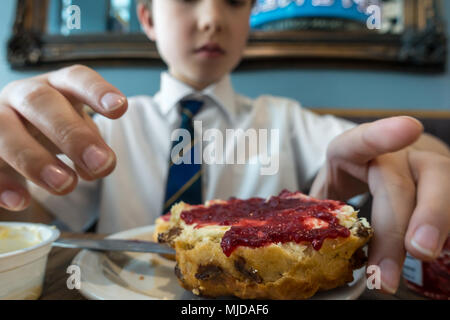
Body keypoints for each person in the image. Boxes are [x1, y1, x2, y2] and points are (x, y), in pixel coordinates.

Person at [0, 0, 448, 295]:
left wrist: (417, 154)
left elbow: (387, 148)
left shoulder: (285, 119)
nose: (212, 17)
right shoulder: (103, 129)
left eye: (233, 1)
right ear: (149, 18)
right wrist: (11, 173)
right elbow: (26, 219)